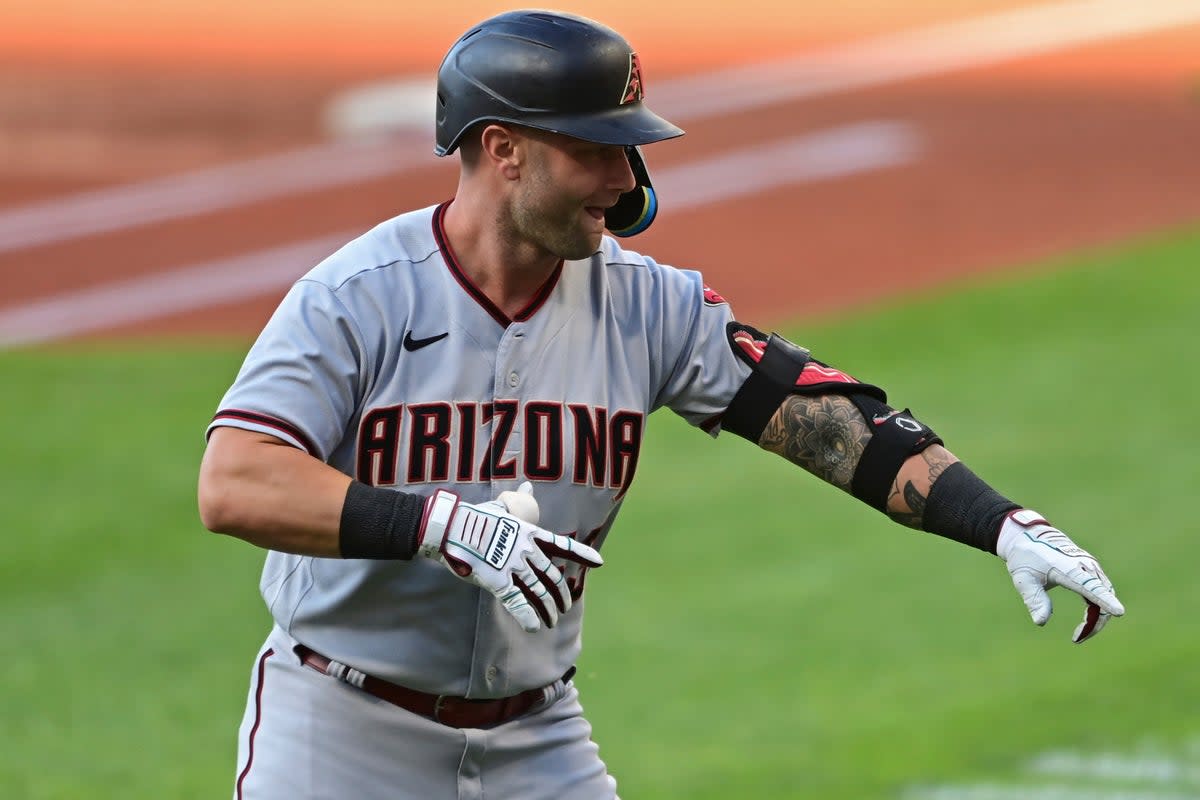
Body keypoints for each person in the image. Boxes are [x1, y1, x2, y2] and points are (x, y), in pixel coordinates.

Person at [196, 9, 1125, 800]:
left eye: (629, 148)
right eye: (596, 150)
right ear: (502, 150)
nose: (627, 181)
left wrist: (998, 523)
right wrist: (437, 525)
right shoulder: (357, 296)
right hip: (343, 733)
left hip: (537, 738)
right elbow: (234, 484)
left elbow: (824, 419)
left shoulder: (648, 303)